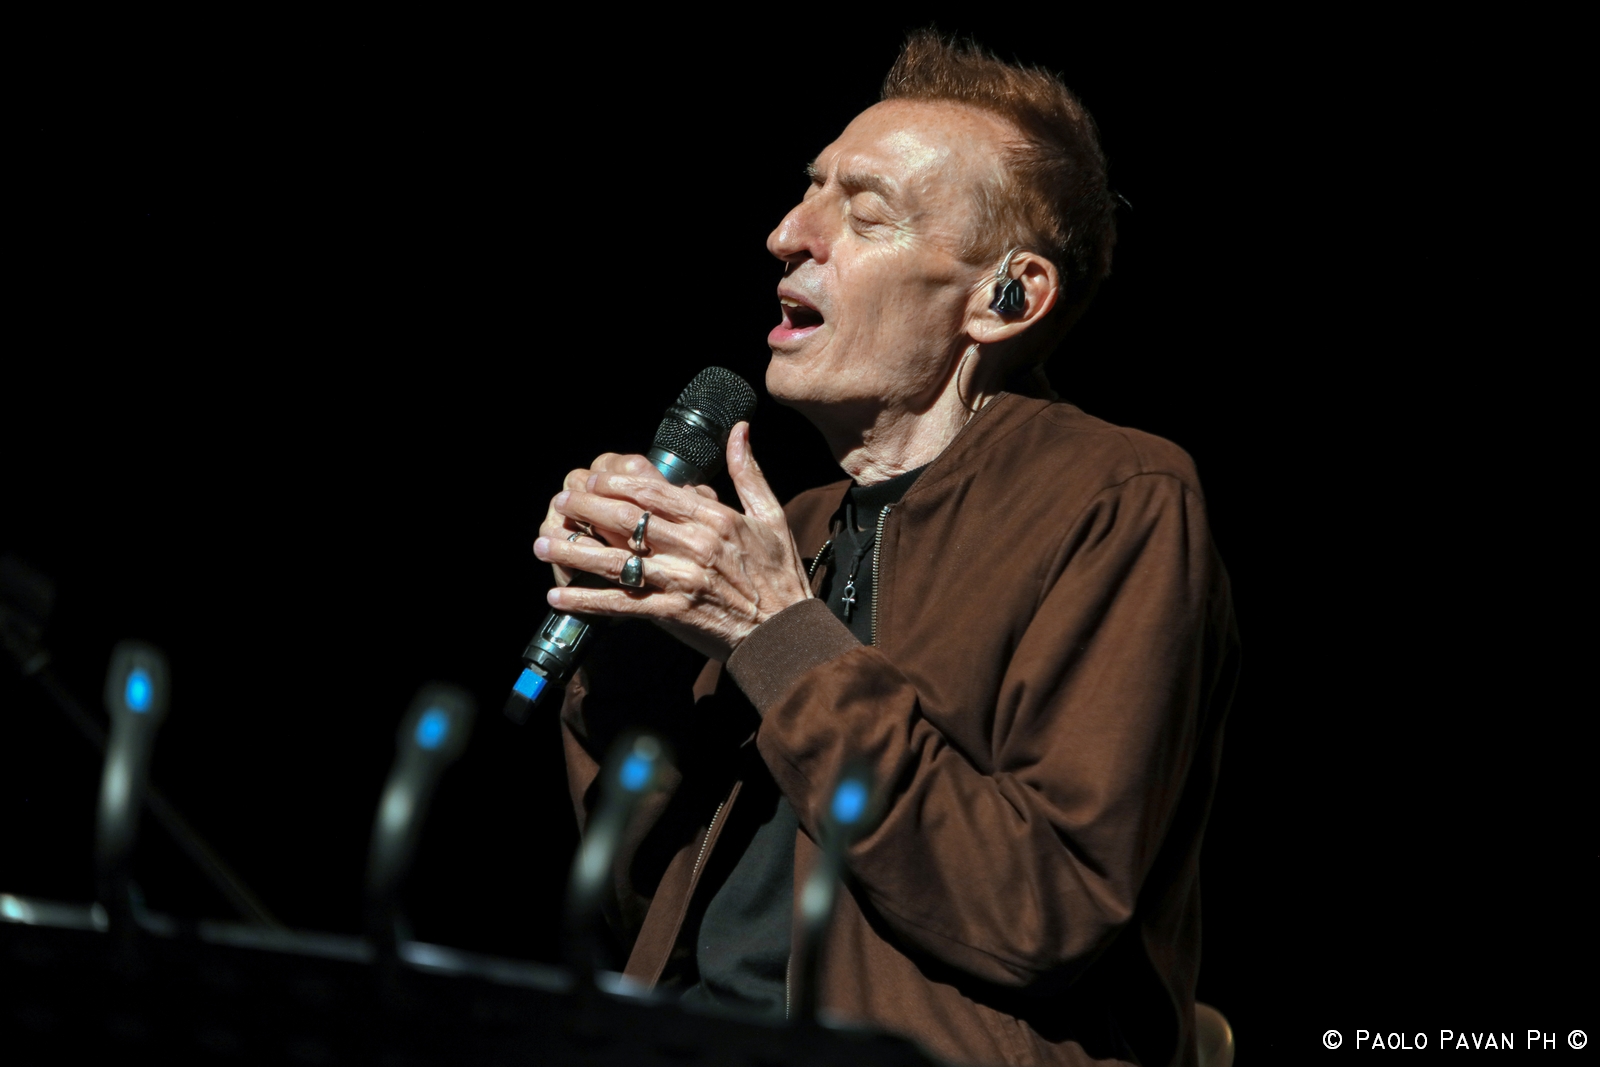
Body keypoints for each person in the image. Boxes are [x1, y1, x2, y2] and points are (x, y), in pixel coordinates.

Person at [535, 32, 1239, 1067]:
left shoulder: (1113, 495)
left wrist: (775, 633)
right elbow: (647, 904)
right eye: (805, 194)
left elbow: (1039, 909)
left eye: (864, 215)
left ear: (1005, 296)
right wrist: (630, 624)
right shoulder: (790, 532)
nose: (787, 235)